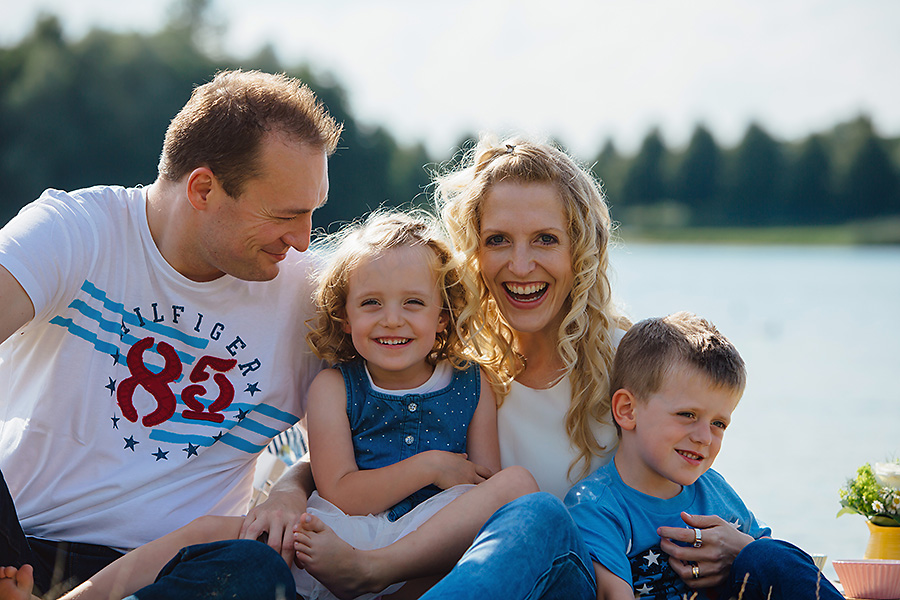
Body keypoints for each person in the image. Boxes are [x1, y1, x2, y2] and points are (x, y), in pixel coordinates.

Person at [0, 211, 536, 600]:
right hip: (345, 531)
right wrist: (431, 466)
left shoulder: (471, 382)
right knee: (216, 530)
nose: (392, 319)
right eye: (371, 303)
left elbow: (483, 482)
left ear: (444, 316)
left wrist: (453, 495)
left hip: (429, 538)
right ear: (345, 317)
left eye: (414, 304)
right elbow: (341, 491)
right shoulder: (335, 386)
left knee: (519, 489)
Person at [0, 69, 341, 599]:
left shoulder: (313, 299)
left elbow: (382, 423)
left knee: (253, 572)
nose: (302, 240)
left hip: (178, 574)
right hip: (20, 546)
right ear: (203, 188)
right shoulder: (73, 231)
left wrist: (290, 487)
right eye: (285, 215)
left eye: (313, 214)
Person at [565, 312, 843, 600]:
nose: (704, 437)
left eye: (719, 424)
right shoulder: (597, 506)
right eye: (687, 415)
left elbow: (775, 574)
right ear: (627, 410)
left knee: (767, 553)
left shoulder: (714, 490)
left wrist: (748, 548)